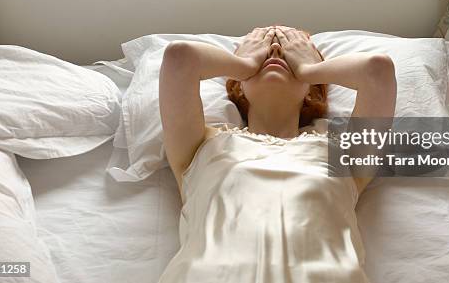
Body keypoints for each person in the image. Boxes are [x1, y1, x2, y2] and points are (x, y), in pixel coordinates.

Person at [158, 26, 397, 283]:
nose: (274, 52)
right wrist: (245, 63)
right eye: (264, 49)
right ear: (237, 86)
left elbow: (377, 71)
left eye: (288, 52)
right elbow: (179, 59)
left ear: (312, 91)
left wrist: (308, 70)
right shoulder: (200, 144)